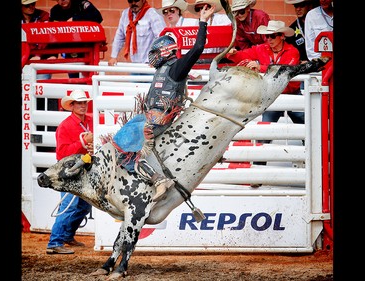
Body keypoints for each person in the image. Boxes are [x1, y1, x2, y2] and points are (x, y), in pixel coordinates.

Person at [111, 4, 216, 201]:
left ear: (165, 51)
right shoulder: (166, 69)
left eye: (155, 52)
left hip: (159, 119)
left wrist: (202, 22)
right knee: (118, 143)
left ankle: (157, 180)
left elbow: (197, 49)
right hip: (150, 115)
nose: (152, 56)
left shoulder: (176, 67)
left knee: (122, 143)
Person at [225, 20, 302, 170]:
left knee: (306, 130)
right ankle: (259, 170)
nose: (269, 40)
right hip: (274, 97)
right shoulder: (263, 48)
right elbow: (243, 55)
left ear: (282, 36)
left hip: (291, 95)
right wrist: (232, 54)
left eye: (272, 36)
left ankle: (313, 164)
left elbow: (285, 70)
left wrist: (261, 67)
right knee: (264, 134)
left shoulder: (293, 51)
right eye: (267, 36)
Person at [46, 89, 94, 254]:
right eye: (79, 103)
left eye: (84, 102)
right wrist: (83, 142)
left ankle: (66, 235)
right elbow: (62, 153)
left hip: (84, 169)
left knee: (85, 205)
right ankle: (54, 242)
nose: (82, 106)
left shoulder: (89, 121)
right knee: (69, 205)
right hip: (69, 170)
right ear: (72, 105)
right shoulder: (65, 126)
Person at [50, 0, 103, 78]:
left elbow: (97, 17)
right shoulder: (55, 11)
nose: (62, 1)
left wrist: (75, 19)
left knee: (89, 77)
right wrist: (53, 54)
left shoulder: (82, 4)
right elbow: (52, 33)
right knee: (73, 78)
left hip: (87, 47)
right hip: (69, 49)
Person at [108, 0, 166, 66]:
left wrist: (155, 58)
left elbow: (161, 38)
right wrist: (113, 57)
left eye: (136, 0)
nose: (133, 3)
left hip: (150, 65)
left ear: (143, 0)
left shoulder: (153, 13)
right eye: (130, 1)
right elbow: (119, 36)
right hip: (135, 65)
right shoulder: (125, 14)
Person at [21, 0, 56, 80]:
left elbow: (47, 37)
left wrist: (38, 55)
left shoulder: (44, 16)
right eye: (27, 5)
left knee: (41, 88)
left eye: (33, 4)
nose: (31, 7)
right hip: (23, 59)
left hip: (40, 60)